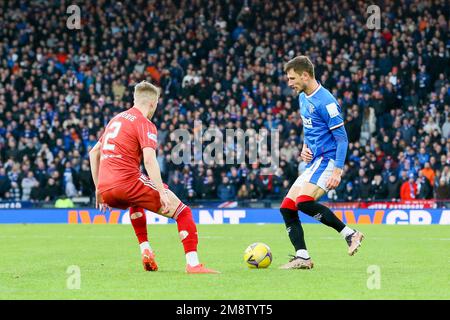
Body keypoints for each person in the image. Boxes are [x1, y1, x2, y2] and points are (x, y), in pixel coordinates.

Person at [89, 81, 218, 274]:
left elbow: (94, 152)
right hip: (127, 182)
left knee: (136, 200)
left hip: (106, 189)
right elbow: (149, 160)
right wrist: (162, 192)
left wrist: (98, 190)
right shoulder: (144, 123)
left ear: (135, 100)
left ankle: (145, 249)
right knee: (183, 212)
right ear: (152, 103)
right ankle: (193, 264)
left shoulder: (115, 120)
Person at [279, 56, 364, 270]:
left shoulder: (326, 101)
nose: (289, 83)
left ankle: (350, 233)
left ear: (305, 76)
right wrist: (305, 146)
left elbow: (342, 139)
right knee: (287, 207)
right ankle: (303, 257)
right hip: (314, 160)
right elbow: (310, 128)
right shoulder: (302, 97)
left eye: (292, 78)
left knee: (303, 202)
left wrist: (338, 170)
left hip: (328, 160)